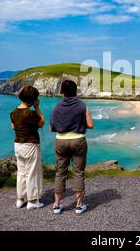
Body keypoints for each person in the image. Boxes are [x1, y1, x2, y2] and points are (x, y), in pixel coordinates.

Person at [50, 80, 94, 215]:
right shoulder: (82, 106)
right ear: (76, 91)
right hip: (78, 140)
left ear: (62, 93)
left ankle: (57, 205)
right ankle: (79, 205)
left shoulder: (56, 107)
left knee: (60, 172)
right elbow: (90, 125)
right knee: (78, 172)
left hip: (61, 141)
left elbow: (52, 128)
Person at [10, 86, 45, 210]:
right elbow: (42, 122)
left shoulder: (14, 112)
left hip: (18, 144)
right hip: (30, 144)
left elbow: (13, 127)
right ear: (33, 99)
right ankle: (32, 201)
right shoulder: (31, 113)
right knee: (32, 173)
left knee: (21, 172)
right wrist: (37, 108)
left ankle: (20, 199)